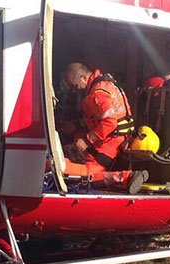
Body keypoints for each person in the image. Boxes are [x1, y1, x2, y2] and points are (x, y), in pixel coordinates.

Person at [58, 63, 148, 194]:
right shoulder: (104, 84)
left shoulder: (97, 93)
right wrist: (76, 126)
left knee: (87, 174)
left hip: (112, 140)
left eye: (75, 85)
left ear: (83, 77)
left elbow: (110, 122)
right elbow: (100, 116)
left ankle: (127, 177)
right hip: (112, 136)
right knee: (79, 148)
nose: (75, 89)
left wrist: (87, 141)